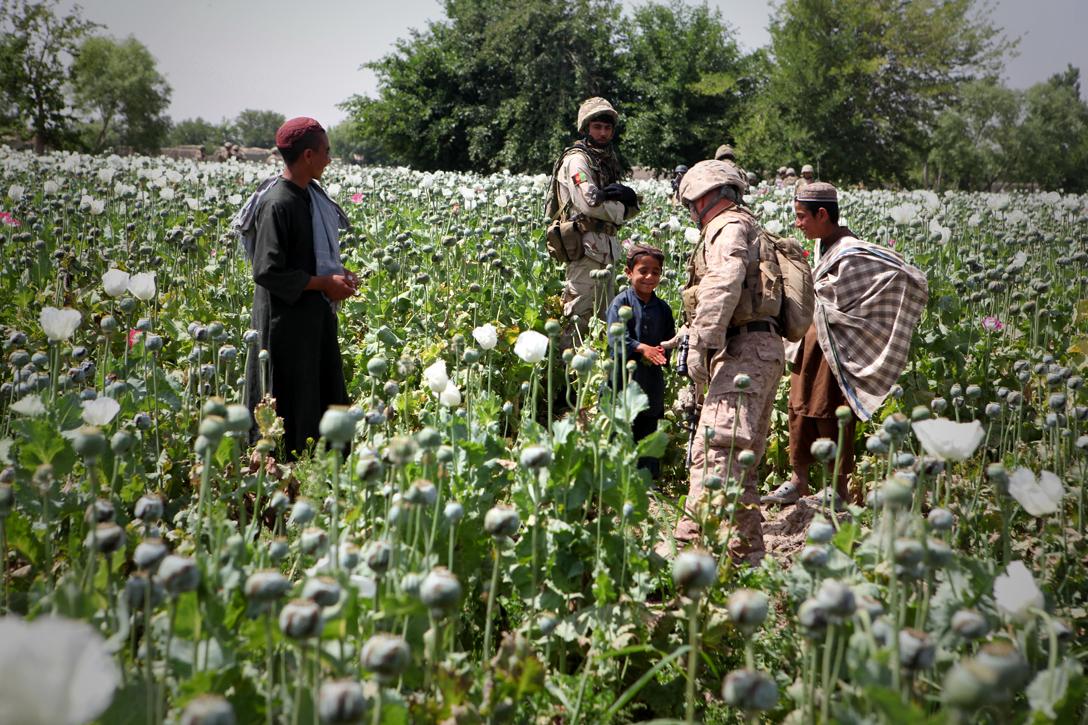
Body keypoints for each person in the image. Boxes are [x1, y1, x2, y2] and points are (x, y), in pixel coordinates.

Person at [763, 182, 928, 506]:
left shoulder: (852, 252)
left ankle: (837, 491)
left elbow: (902, 275)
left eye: (801, 217)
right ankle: (799, 481)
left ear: (822, 214)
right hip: (808, 344)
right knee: (798, 411)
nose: (798, 224)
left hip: (834, 350)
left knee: (830, 413)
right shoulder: (824, 247)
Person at [672, 160, 786, 564]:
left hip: (743, 354)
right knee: (742, 461)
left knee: (716, 453)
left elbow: (724, 282)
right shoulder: (750, 226)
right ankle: (746, 554)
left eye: (691, 202)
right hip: (758, 350)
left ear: (705, 196)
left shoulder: (728, 228)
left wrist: (701, 345)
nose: (690, 210)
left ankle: (690, 553)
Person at [238, 117, 356, 459]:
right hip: (285, 326)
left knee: (317, 392)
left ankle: (321, 463)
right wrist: (323, 283)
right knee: (291, 399)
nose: (329, 159)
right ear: (307, 155)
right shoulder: (278, 203)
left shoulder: (309, 198)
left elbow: (310, 259)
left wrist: (338, 275)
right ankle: (287, 470)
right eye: (326, 152)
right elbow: (267, 271)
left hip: (311, 319)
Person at [550, 97, 639, 348]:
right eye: (597, 127)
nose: (603, 133)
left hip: (606, 250)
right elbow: (589, 203)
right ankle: (566, 380)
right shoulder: (578, 160)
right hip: (585, 250)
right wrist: (624, 207)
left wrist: (630, 200)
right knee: (579, 319)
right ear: (585, 128)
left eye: (607, 128)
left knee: (603, 322)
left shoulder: (606, 160)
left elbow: (621, 208)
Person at [605, 244, 676, 478]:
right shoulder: (620, 303)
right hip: (622, 376)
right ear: (628, 272)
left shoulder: (663, 309)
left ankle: (647, 478)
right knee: (621, 421)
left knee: (649, 422)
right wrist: (639, 347)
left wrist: (664, 350)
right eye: (643, 271)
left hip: (651, 378)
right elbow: (615, 338)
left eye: (655, 272)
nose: (649, 277)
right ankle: (615, 475)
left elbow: (668, 341)